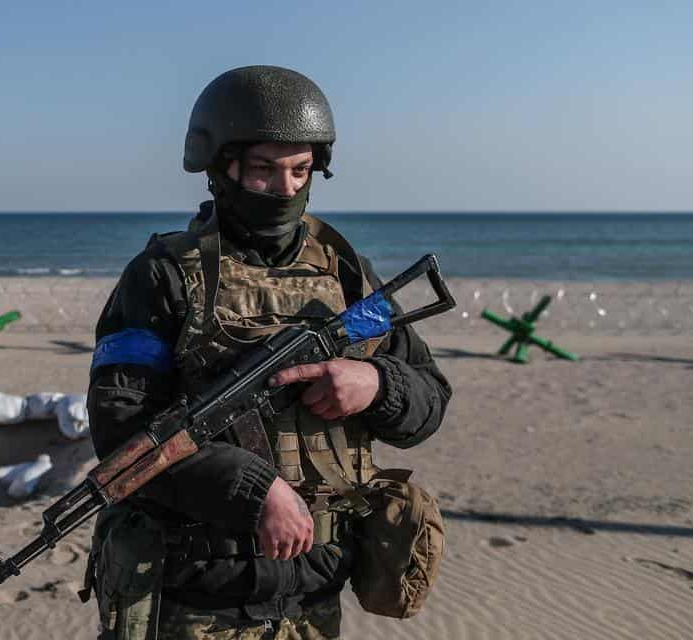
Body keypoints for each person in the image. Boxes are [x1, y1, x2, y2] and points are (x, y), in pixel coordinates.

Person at [86, 65, 451, 639]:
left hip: (315, 598)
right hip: (196, 601)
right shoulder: (161, 277)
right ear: (219, 168)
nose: (285, 189)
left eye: (300, 170)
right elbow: (121, 433)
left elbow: (429, 400)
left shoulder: (346, 272)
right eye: (263, 170)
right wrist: (256, 492)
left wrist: (378, 384)